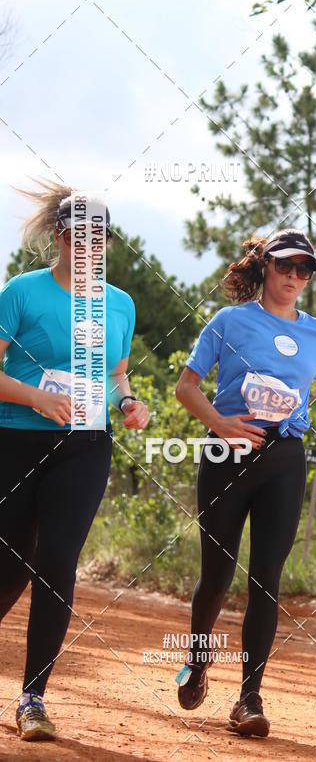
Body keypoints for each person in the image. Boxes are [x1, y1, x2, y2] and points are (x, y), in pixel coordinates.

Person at [174, 227, 316, 737]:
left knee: (266, 580)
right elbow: (185, 388)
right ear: (265, 267)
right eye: (285, 266)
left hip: (285, 459)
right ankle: (198, 657)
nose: (295, 276)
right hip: (225, 452)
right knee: (216, 575)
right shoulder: (229, 321)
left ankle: (249, 699)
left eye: (305, 269)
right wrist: (221, 423)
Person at [0, 180, 150, 742]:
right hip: (16, 441)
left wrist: (129, 402)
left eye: (100, 235)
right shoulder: (23, 292)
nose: (89, 243)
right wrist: (36, 397)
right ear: (60, 236)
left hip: (86, 445)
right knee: (10, 566)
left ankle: (33, 698)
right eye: (78, 234)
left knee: (58, 559)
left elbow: (114, 377)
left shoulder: (121, 303)